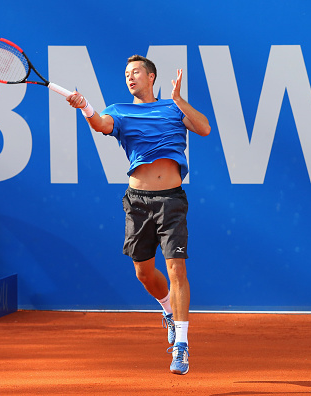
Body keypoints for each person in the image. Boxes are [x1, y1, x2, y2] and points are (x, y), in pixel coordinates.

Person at [66, 55, 210, 375]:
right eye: (127, 74)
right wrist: (86, 106)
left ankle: (182, 346)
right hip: (138, 202)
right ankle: (169, 313)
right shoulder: (119, 111)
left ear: (151, 77)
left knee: (177, 270)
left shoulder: (174, 109)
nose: (130, 78)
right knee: (144, 274)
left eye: (136, 73)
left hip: (171, 200)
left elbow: (204, 128)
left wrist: (178, 99)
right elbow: (101, 125)